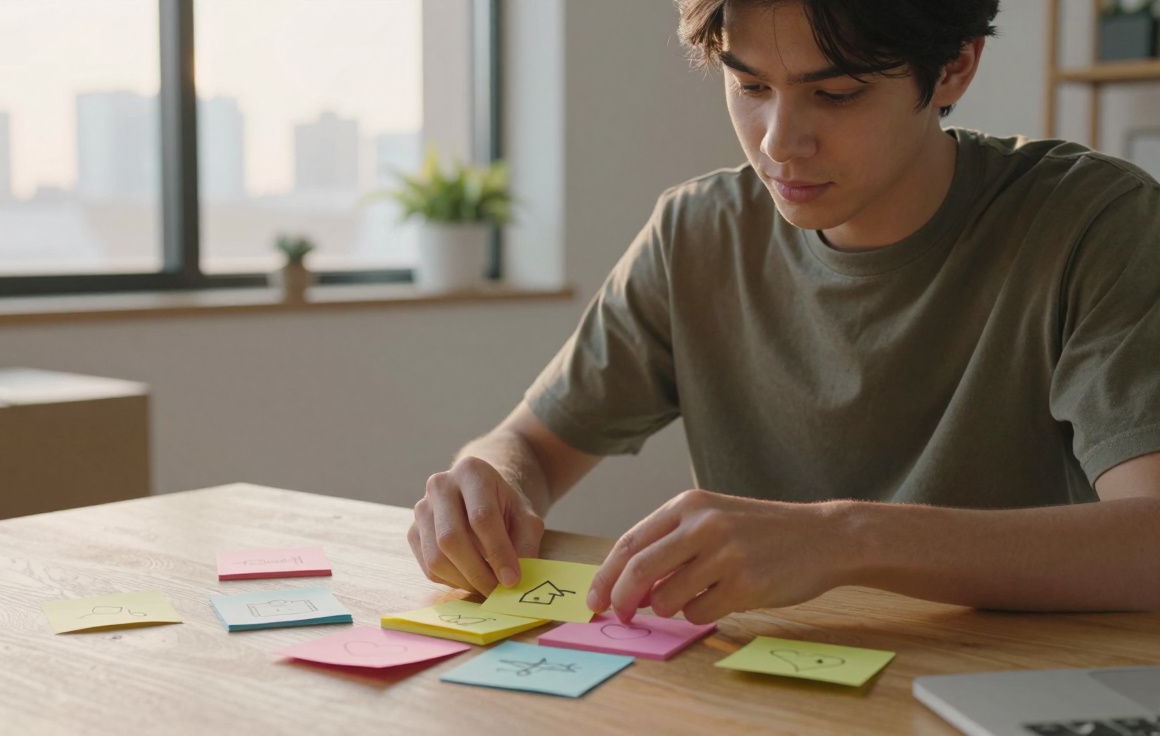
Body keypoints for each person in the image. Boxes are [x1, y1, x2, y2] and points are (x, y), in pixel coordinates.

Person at [406, 0, 1160, 624]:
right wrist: (487, 484)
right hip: (766, 692)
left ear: (955, 65)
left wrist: (845, 538)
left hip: (1007, 688)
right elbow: (531, 448)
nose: (778, 143)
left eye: (835, 95)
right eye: (750, 86)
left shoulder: (1094, 223)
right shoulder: (697, 233)